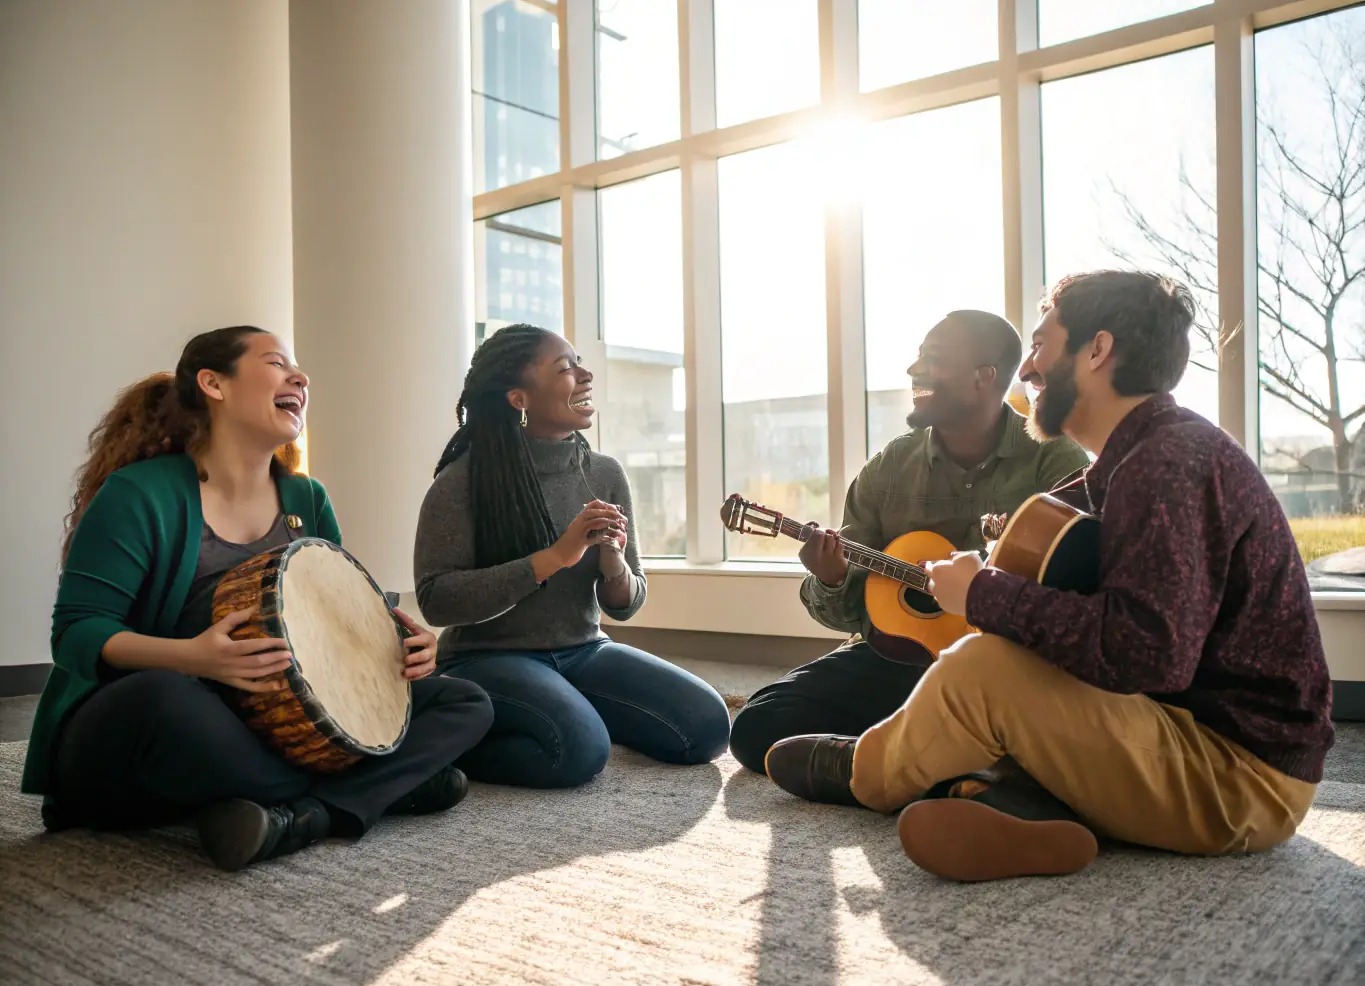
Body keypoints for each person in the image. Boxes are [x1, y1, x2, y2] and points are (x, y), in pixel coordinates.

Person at [764, 271, 1336, 883]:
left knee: (981, 671)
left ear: (1096, 351)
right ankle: (1012, 804)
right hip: (1175, 731)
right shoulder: (1130, 460)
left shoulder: (1168, 464)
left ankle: (868, 776)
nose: (1029, 372)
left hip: (1239, 778)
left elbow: (1147, 655)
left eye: (1040, 347)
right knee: (996, 657)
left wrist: (982, 593)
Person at [22, 327, 495, 872]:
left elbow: (336, 612)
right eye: (276, 363)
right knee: (164, 699)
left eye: (298, 367)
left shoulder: (305, 497)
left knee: (466, 702)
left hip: (274, 724)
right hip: (148, 723)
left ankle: (305, 816)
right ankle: (384, 787)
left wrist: (399, 643)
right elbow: (76, 633)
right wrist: (194, 658)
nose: (301, 376)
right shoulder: (137, 494)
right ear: (213, 384)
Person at [728, 310, 1091, 774]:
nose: (913, 371)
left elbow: (1076, 586)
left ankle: (901, 758)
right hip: (899, 662)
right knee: (758, 727)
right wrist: (833, 578)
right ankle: (943, 759)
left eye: (934, 359)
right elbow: (853, 618)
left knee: (1064, 739)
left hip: (1003, 670)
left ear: (985, 378)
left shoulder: (1053, 458)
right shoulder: (889, 467)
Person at [414, 323, 731, 789]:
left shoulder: (603, 473)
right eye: (566, 368)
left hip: (584, 649)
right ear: (519, 399)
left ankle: (566, 709)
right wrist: (556, 556)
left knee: (706, 727)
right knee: (578, 752)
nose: (585, 375)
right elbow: (437, 600)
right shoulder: (461, 483)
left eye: (580, 363)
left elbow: (626, 603)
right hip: (487, 658)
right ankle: (452, 739)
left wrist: (614, 562)